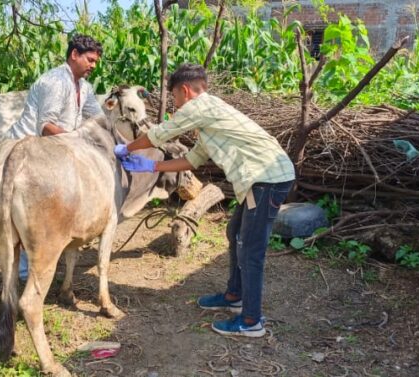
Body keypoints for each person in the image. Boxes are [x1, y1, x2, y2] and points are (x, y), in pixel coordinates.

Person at [113, 63, 295, 338]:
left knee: (251, 250)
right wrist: (153, 167)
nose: (175, 103)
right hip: (259, 180)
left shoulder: (200, 106)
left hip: (267, 180)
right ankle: (234, 296)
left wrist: (126, 147)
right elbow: (194, 159)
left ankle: (251, 321)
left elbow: (160, 134)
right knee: (235, 233)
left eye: (174, 97)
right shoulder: (210, 115)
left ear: (185, 91)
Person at [8, 34, 104, 280]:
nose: (93, 66)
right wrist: (78, 141)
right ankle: (21, 274)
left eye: (96, 62)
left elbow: (99, 119)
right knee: (28, 216)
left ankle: (37, 266)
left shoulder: (85, 87)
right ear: (74, 55)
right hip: (24, 152)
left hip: (54, 151)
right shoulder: (54, 81)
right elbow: (46, 126)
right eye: (90, 60)